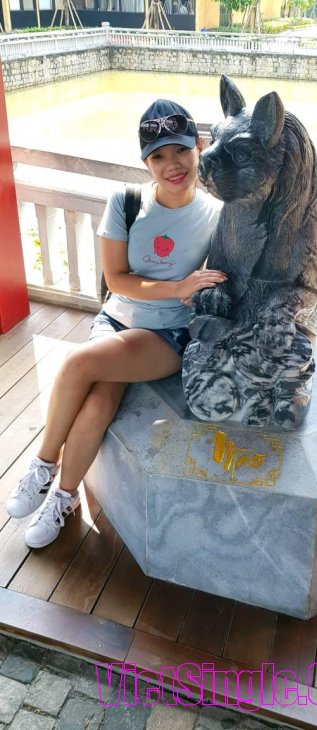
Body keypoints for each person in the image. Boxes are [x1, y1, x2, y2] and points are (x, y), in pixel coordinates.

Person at [7, 99, 224, 548]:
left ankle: (44, 465)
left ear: (200, 146)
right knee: (98, 401)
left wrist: (194, 289)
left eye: (181, 150)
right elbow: (117, 279)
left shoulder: (215, 215)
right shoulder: (126, 203)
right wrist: (178, 285)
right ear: (145, 162)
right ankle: (61, 493)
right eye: (158, 156)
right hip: (117, 319)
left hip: (165, 334)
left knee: (76, 364)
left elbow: (222, 275)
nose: (172, 165)